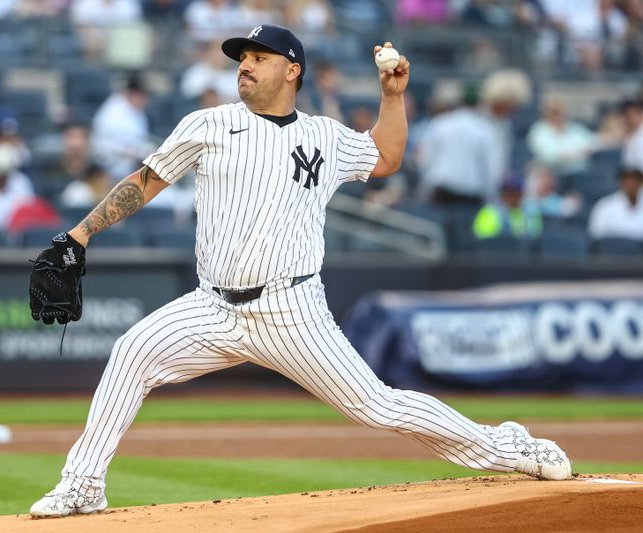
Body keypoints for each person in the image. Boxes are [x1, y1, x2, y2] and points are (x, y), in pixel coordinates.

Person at [28, 24, 572, 518]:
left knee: (377, 407)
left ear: (292, 70)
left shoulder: (324, 136)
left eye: (259, 57)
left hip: (292, 310)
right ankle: (83, 484)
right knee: (131, 353)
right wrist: (78, 235)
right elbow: (145, 181)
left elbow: (384, 158)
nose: (244, 64)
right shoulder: (208, 124)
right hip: (212, 304)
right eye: (241, 56)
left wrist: (392, 97)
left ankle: (508, 446)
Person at [527, 96, 596, 174]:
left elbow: (594, 143)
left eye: (561, 112)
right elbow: (549, 156)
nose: (558, 116)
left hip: (579, 172)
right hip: (552, 174)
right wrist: (577, 153)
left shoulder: (575, 128)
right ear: (546, 113)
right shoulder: (539, 129)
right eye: (554, 112)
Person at [472, 174, 543, 240]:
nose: (515, 196)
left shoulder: (531, 213)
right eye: (511, 192)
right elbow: (483, 241)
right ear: (503, 193)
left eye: (518, 192)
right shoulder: (489, 212)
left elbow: (536, 236)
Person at [588, 168, 643, 240]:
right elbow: (595, 239)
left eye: (635, 179)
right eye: (626, 178)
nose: (631, 183)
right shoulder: (604, 206)